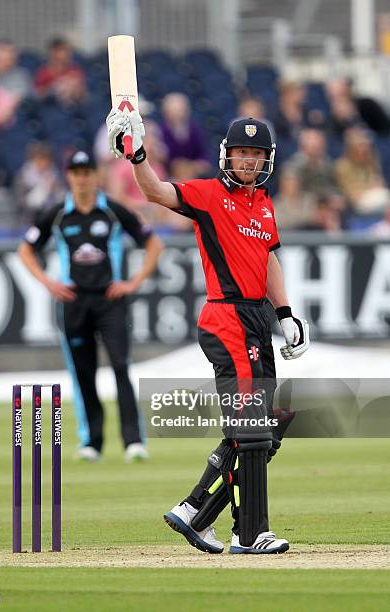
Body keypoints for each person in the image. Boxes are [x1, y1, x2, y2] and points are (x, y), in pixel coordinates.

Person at [107, 110, 310, 554]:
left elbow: (269, 258)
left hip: (257, 319)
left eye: (257, 156)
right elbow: (155, 190)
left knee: (266, 427)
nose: (249, 163)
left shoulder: (264, 202)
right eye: (242, 154)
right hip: (227, 318)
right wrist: (136, 152)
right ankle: (251, 533)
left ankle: (196, 510)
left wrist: (286, 313)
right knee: (253, 426)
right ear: (227, 155)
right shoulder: (208, 194)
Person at [17, 150, 164, 462]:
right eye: (76, 172)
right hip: (74, 302)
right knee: (83, 372)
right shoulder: (57, 213)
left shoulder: (112, 211)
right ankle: (92, 442)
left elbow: (153, 243)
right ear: (69, 176)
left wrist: (133, 282)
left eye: (87, 172)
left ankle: (133, 441)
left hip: (110, 300)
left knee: (121, 367)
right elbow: (26, 250)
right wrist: (48, 282)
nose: (82, 178)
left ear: (96, 175)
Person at [14, 141, 65, 222]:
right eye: (39, 159)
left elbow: (62, 196)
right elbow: (21, 201)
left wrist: (55, 189)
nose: (43, 163)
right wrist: (43, 189)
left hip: (52, 213)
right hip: (31, 216)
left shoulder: (55, 173)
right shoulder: (24, 175)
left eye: (45, 159)